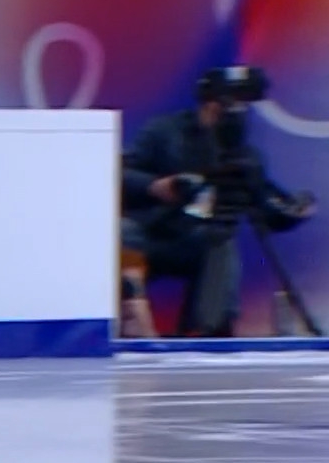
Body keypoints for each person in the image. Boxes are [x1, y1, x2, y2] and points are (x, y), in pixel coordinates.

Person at [121, 66, 316, 337]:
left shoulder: (245, 157)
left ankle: (207, 330)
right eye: (231, 103)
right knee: (120, 232)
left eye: (244, 105)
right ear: (209, 102)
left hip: (194, 241)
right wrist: (155, 186)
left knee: (221, 242)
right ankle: (128, 320)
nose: (237, 112)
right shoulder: (164, 132)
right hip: (147, 232)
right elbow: (120, 174)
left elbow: (267, 211)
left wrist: (294, 211)